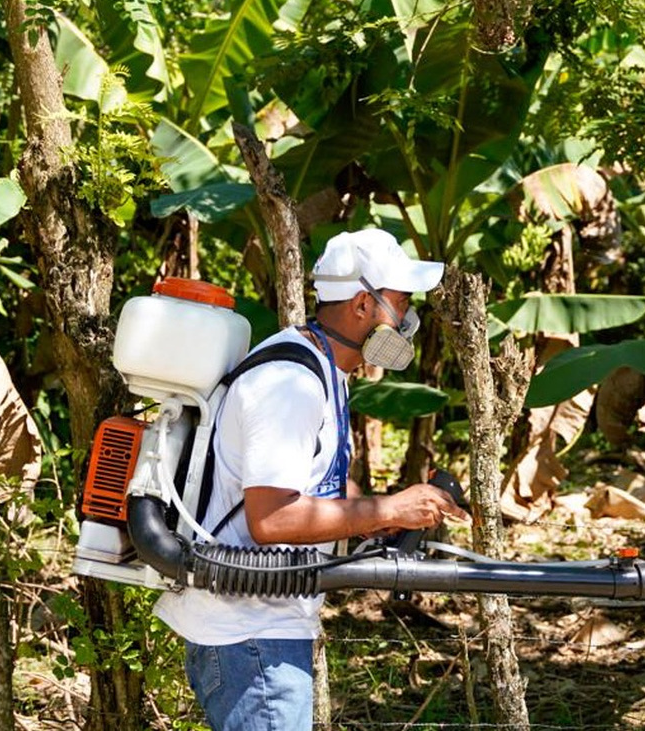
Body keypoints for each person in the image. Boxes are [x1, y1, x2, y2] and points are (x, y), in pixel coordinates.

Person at [153, 228, 467, 731]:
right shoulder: (292, 383)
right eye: (401, 303)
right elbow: (272, 517)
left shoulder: (322, 366)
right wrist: (389, 510)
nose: (408, 321)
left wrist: (370, 516)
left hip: (261, 629)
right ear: (363, 304)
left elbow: (311, 482)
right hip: (250, 637)